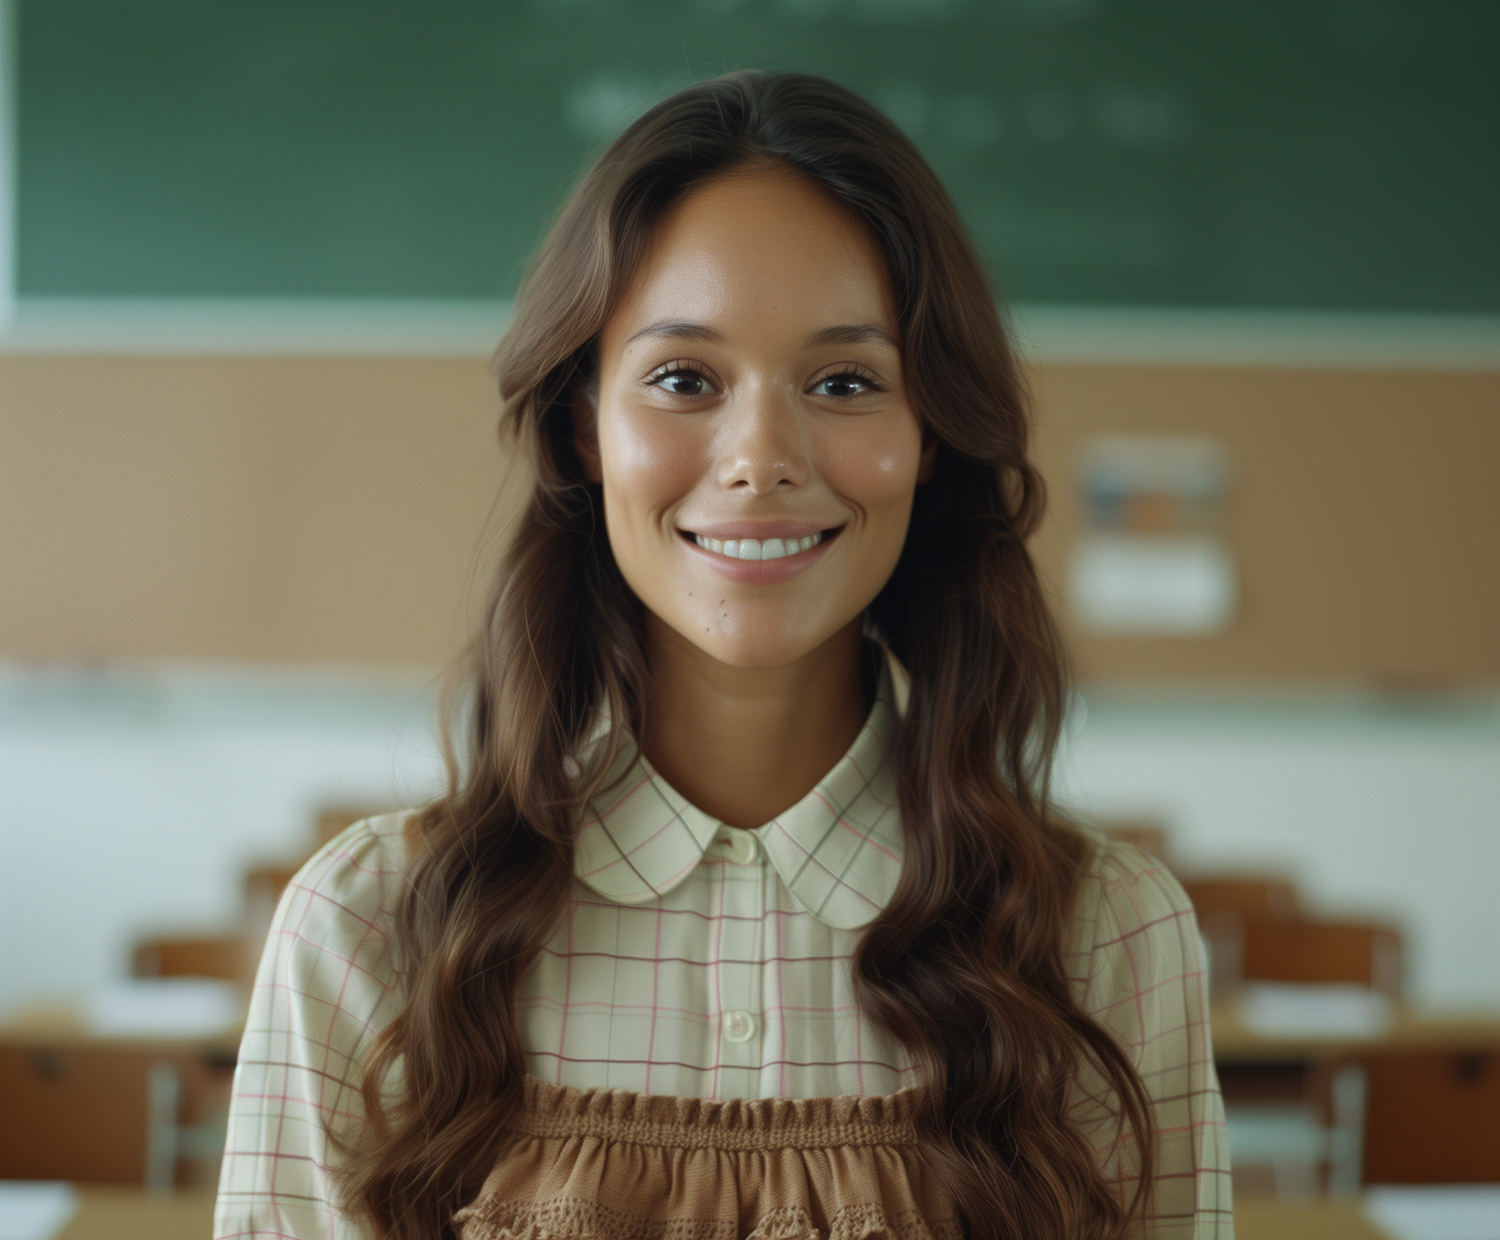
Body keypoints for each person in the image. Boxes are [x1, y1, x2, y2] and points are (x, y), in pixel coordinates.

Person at [215, 72, 1230, 1240]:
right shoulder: (368, 933)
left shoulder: (1109, 937)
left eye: (845, 381)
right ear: (577, 429)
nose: (760, 457)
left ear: (931, 437)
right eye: (683, 379)